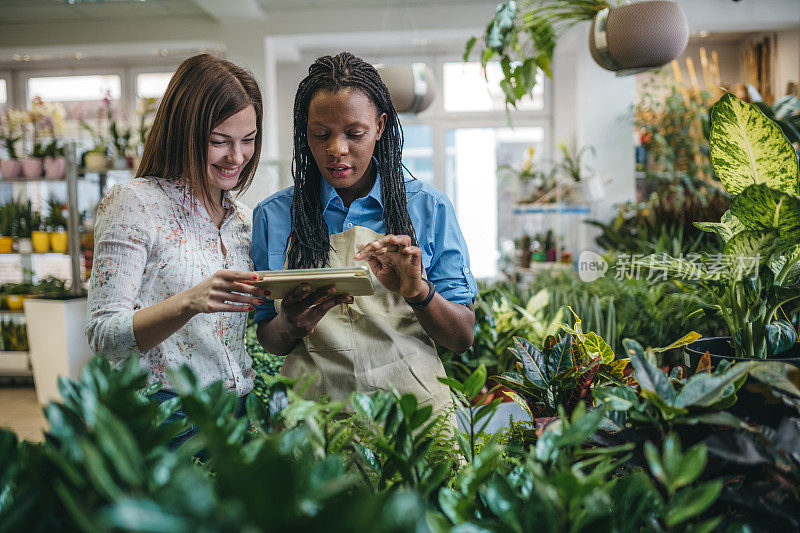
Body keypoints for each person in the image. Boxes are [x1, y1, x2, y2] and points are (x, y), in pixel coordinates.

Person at [252, 52, 476, 420]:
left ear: (380, 126)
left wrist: (418, 292)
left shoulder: (428, 208)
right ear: (303, 131)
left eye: (354, 133)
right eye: (320, 134)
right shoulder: (274, 216)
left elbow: (462, 337)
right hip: (314, 424)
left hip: (412, 425)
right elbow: (269, 338)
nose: (336, 149)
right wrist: (289, 324)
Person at [86, 54, 267, 443]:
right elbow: (103, 335)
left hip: (236, 413)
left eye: (248, 140)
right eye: (219, 141)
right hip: (163, 414)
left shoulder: (245, 221)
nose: (236, 157)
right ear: (184, 131)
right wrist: (189, 301)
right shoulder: (134, 203)